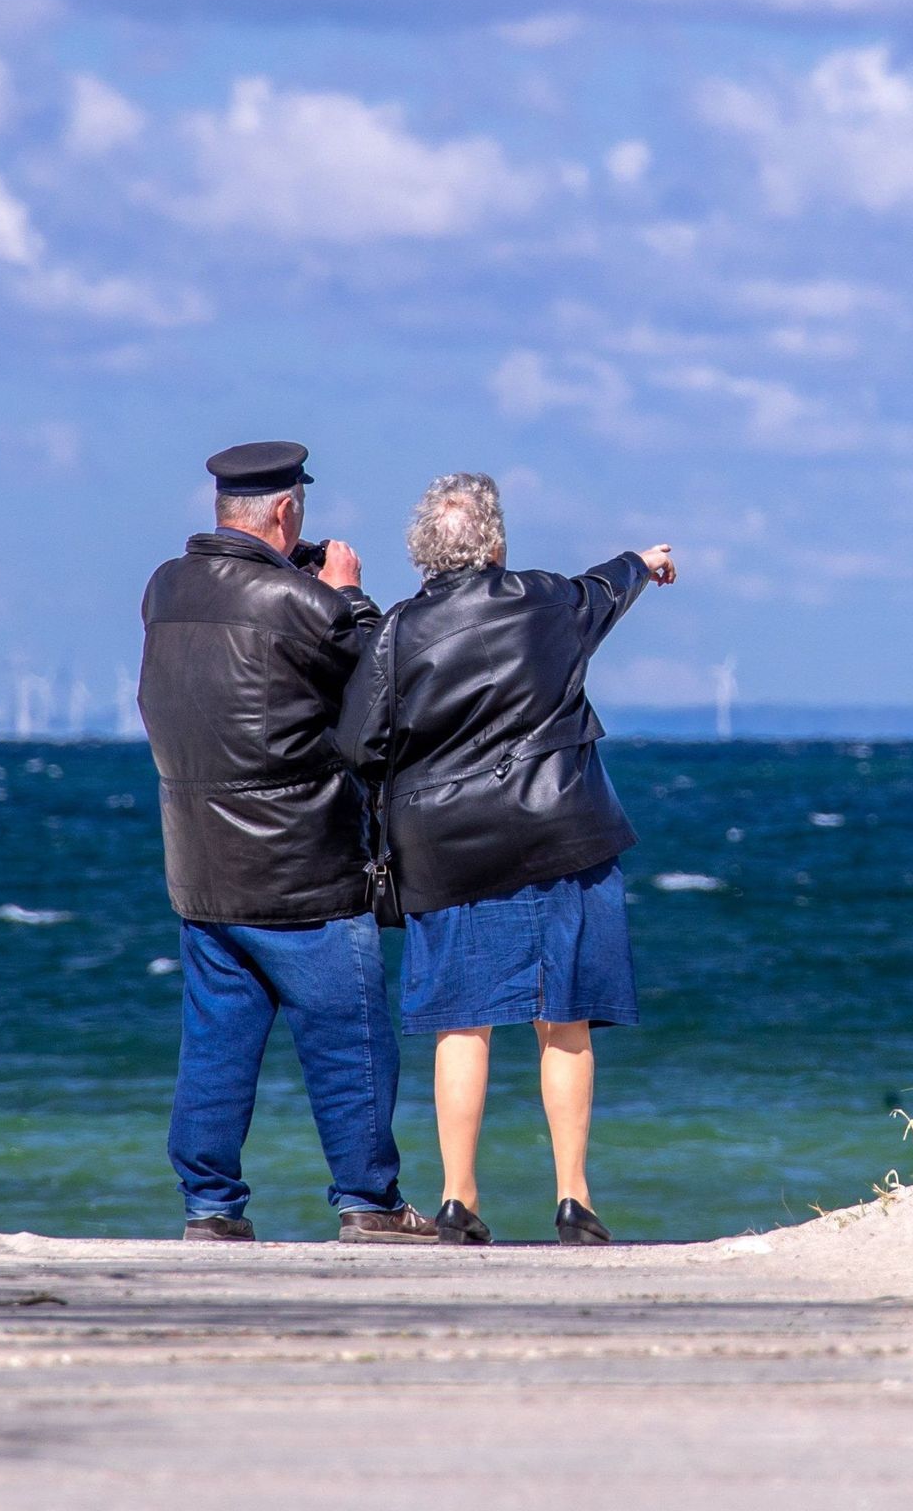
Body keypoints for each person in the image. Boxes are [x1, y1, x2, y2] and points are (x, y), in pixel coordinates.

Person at [337, 473, 676, 1246]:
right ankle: (573, 1198)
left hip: (447, 851)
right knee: (566, 1022)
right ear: (494, 543)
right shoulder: (547, 599)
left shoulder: (397, 632)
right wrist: (643, 561)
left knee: (464, 1024)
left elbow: (359, 744)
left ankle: (457, 1198)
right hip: (565, 834)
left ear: (425, 550)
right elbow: (605, 589)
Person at [138, 440, 436, 1244]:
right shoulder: (301, 604)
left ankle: (210, 1207)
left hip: (202, 866)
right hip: (302, 865)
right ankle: (369, 1203)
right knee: (351, 1044)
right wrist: (347, 593)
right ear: (285, 510)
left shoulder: (165, 588)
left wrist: (303, 585)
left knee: (216, 1049)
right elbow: (384, 674)